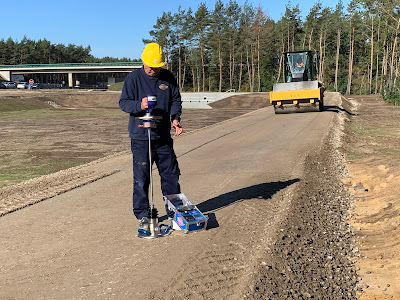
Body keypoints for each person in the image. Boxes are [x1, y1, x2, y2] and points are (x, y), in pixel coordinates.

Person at [119, 42, 183, 231]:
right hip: (140, 137)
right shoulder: (133, 78)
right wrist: (141, 105)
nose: (154, 70)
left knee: (171, 176)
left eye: (157, 66)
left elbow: (175, 100)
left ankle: (174, 213)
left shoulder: (168, 78)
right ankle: (143, 215)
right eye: (150, 66)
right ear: (143, 61)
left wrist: (175, 118)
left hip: (163, 137)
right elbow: (124, 103)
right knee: (141, 178)